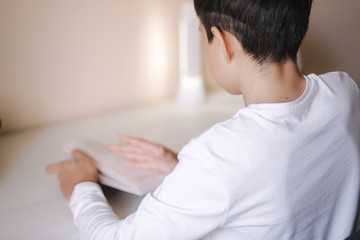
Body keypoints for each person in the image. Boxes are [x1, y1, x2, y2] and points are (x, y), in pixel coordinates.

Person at [46, 0, 360, 239]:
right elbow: (275, 178)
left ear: (222, 42)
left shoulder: (220, 157)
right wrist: (180, 167)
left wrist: (82, 186)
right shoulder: (344, 92)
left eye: (202, 35)